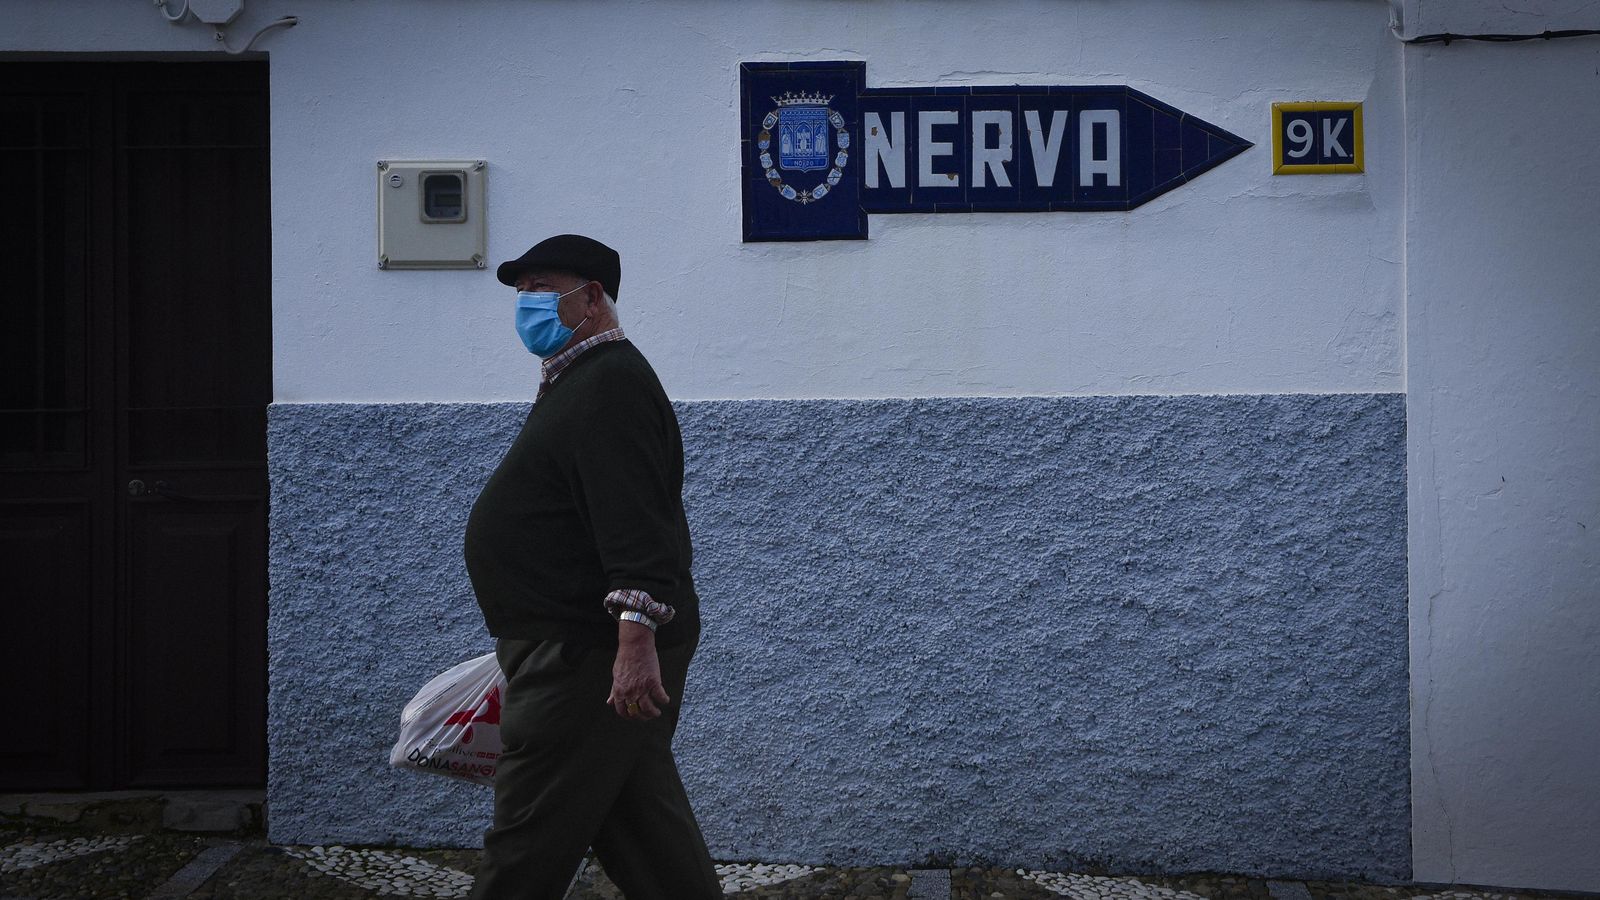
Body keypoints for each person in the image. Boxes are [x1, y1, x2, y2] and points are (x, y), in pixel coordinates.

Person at [463, 234, 721, 899]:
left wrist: (633, 645)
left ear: (592, 298)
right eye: (521, 293)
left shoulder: (610, 386)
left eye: (542, 289)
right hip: (571, 646)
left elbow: (636, 528)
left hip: (583, 656)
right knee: (641, 828)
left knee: (527, 835)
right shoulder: (581, 379)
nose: (527, 304)